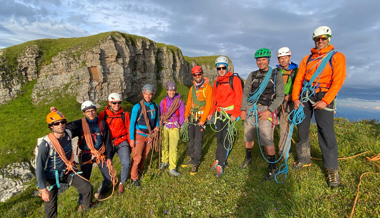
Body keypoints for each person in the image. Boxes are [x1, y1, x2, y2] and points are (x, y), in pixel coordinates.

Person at [292, 26, 346, 187]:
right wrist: (295, 98)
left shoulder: (337, 57)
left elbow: (338, 80)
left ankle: (331, 169)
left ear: (328, 39)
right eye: (318, 39)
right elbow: (299, 79)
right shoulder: (306, 59)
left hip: (323, 96)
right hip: (305, 96)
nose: (320, 41)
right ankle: (303, 159)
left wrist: (326, 100)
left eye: (323, 38)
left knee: (326, 131)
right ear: (315, 40)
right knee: (302, 128)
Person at [35, 111, 93, 217]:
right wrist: (43, 190)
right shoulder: (45, 144)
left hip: (66, 171)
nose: (60, 125)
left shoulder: (68, 134)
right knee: (50, 204)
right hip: (50, 176)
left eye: (62, 122)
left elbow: (79, 123)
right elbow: (39, 168)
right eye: (56, 123)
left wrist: (91, 114)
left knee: (87, 187)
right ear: (51, 126)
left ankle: (87, 207)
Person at [240, 48, 284, 181]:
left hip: (266, 108)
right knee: (248, 134)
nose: (260, 62)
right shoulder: (252, 75)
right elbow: (246, 93)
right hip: (251, 107)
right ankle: (248, 158)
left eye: (263, 59)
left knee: (266, 137)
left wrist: (269, 111)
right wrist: (243, 109)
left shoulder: (276, 74)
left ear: (268, 60)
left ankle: (272, 166)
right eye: (258, 60)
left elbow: (280, 95)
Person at [62, 101, 113, 206]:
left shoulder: (102, 123)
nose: (91, 113)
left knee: (109, 176)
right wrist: (58, 114)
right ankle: (82, 203)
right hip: (86, 155)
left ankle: (101, 192)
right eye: (88, 111)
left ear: (96, 111)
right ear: (84, 113)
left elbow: (107, 141)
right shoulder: (79, 124)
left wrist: (109, 157)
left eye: (93, 111)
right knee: (85, 181)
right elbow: (64, 127)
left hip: (100, 154)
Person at [207, 56, 243, 177]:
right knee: (219, 137)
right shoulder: (217, 82)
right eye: (219, 68)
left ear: (227, 67)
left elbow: (239, 97)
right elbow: (214, 100)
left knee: (226, 139)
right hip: (219, 113)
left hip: (229, 114)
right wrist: (211, 112)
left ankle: (221, 164)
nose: (221, 70)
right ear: (217, 69)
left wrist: (235, 114)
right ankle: (218, 159)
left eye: (223, 67)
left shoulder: (235, 80)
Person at [181, 66, 213, 175]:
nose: (197, 76)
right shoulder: (192, 88)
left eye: (199, 74)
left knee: (198, 141)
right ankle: (190, 156)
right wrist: (186, 116)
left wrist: (203, 120)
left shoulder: (208, 88)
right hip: (191, 117)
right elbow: (189, 102)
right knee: (191, 139)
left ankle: (195, 162)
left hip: (200, 118)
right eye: (195, 75)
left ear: (202, 74)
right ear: (193, 76)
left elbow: (208, 104)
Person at [98, 93, 131, 195]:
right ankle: (107, 183)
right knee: (105, 165)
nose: (117, 105)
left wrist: (130, 144)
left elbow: (129, 129)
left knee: (126, 162)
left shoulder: (124, 114)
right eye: (114, 103)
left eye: (119, 103)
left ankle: (122, 182)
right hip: (108, 143)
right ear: (109, 103)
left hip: (121, 141)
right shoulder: (103, 115)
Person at [129, 84, 159, 187]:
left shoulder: (155, 106)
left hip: (149, 135)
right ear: (143, 94)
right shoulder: (137, 107)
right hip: (139, 135)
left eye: (150, 94)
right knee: (137, 156)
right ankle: (134, 177)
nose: (148, 96)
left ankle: (139, 172)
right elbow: (132, 123)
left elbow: (157, 119)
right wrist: (132, 139)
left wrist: (157, 126)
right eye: (146, 94)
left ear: (152, 94)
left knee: (145, 156)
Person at [276, 47, 298, 158]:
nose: (283, 60)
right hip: (277, 100)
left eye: (285, 58)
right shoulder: (276, 71)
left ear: (289, 57)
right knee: (271, 125)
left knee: (285, 127)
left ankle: (283, 153)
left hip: (288, 101)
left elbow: (299, 85)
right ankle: (269, 149)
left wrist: (292, 96)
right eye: (281, 58)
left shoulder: (295, 71)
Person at [159, 81, 185, 176]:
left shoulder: (179, 102)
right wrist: (161, 122)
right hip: (165, 126)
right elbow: (161, 113)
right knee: (164, 145)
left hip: (174, 126)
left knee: (173, 147)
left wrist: (180, 124)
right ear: (167, 91)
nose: (171, 92)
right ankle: (164, 161)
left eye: (173, 91)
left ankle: (172, 167)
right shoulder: (163, 102)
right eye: (170, 91)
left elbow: (182, 114)